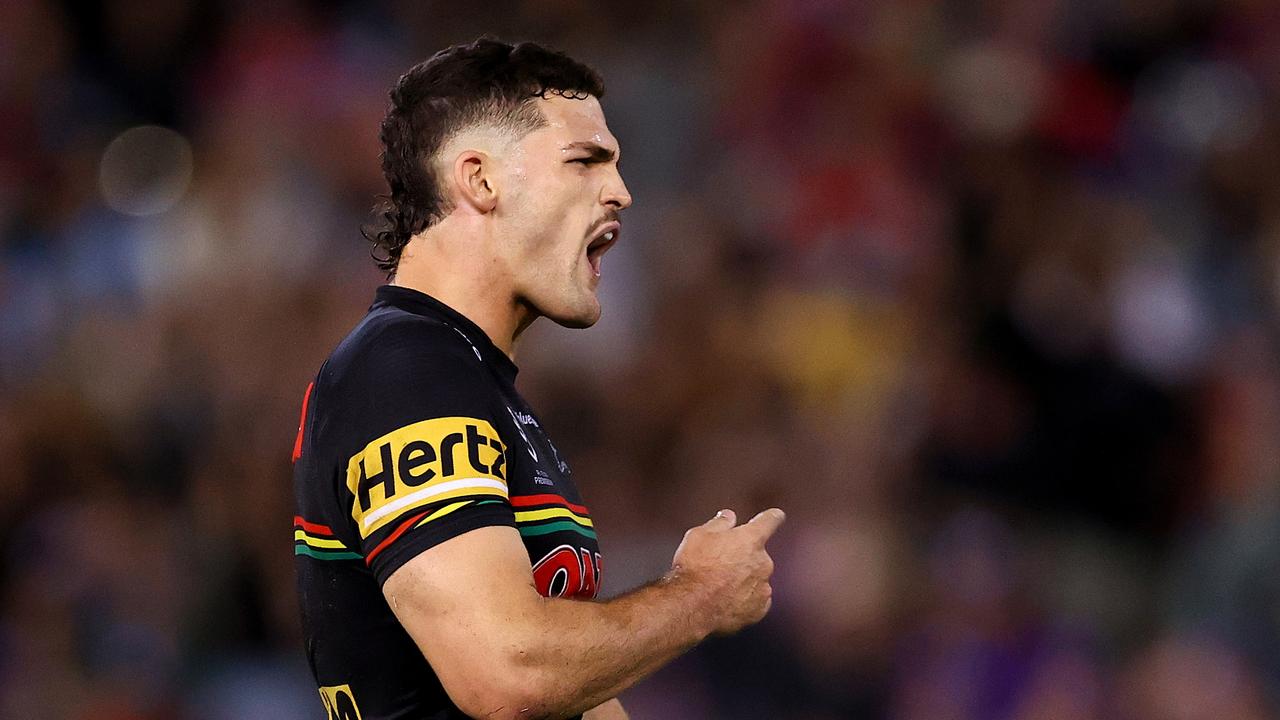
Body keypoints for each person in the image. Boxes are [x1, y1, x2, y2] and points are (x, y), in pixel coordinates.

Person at [291, 38, 784, 720]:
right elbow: (505, 671)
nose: (621, 191)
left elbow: (564, 692)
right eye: (585, 161)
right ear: (480, 180)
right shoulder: (406, 373)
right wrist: (696, 594)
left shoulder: (474, 385)